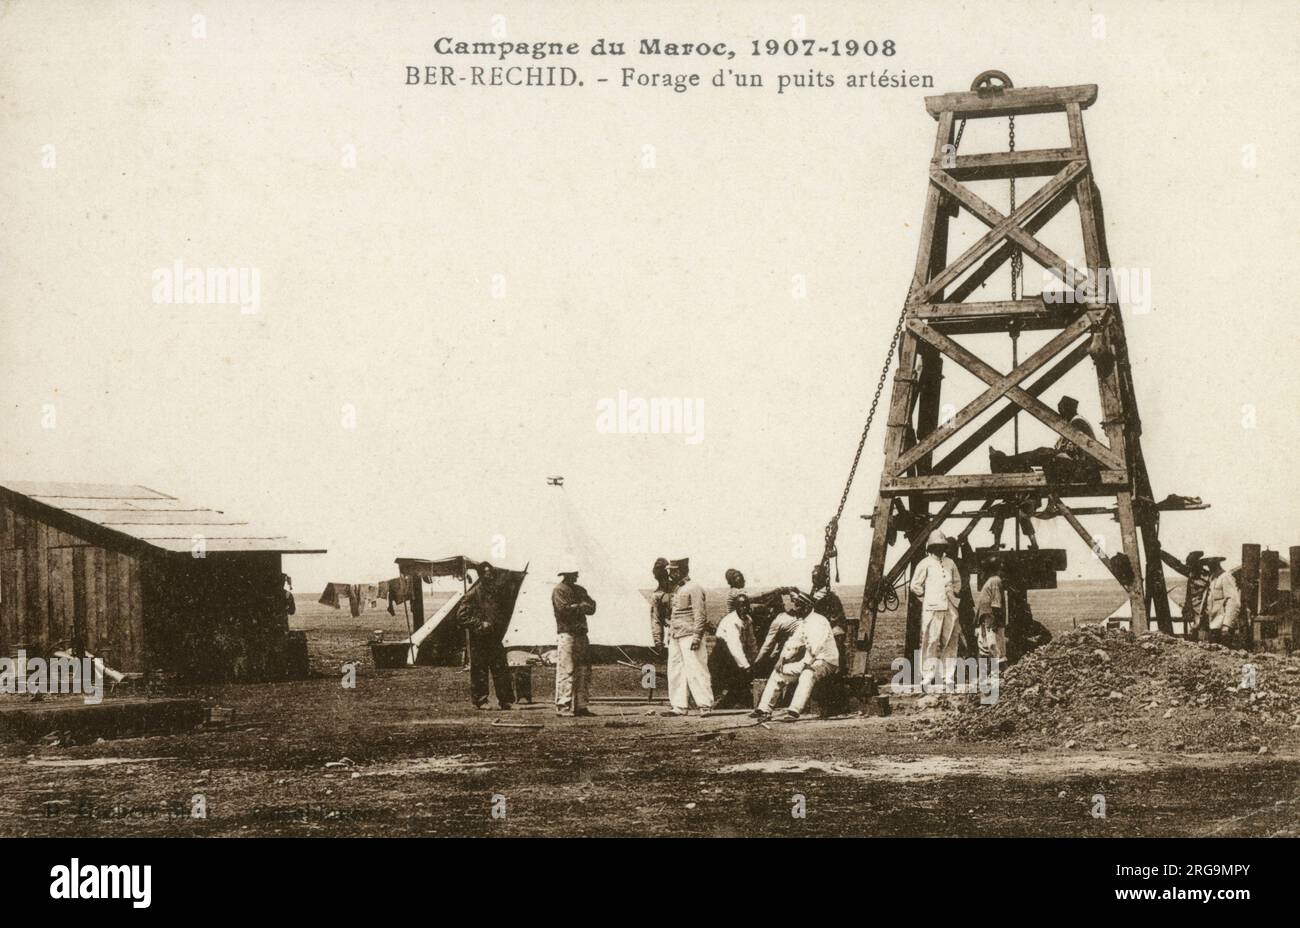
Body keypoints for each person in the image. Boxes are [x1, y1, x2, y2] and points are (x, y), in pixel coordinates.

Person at [991, 395, 1099, 485]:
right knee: (1040, 453)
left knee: (1040, 452)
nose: (1061, 414)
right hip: (1077, 462)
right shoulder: (1075, 422)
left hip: (1082, 466)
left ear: (1067, 409)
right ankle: (1005, 462)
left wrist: (1059, 453)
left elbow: (1076, 450)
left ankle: (1003, 462)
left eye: (1062, 410)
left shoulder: (1077, 422)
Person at [910, 531, 960, 690]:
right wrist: (926, 598)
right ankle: (927, 675)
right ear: (931, 547)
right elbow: (915, 586)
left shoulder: (950, 563)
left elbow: (958, 582)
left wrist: (952, 592)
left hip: (950, 607)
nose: (939, 549)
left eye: (942, 546)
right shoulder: (925, 563)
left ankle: (948, 676)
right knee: (930, 641)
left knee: (951, 641)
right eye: (936, 546)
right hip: (932, 608)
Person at [463, 562, 515, 710]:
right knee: (479, 670)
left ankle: (505, 700)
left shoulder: (496, 592)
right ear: (481, 575)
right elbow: (461, 616)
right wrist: (480, 624)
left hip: (494, 638)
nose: (490, 575)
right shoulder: (473, 593)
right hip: (479, 639)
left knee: (501, 669)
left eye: (491, 573)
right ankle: (481, 700)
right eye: (486, 573)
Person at [665, 557, 714, 716]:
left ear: (680, 570)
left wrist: (697, 637)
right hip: (676, 636)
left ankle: (705, 705)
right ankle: (679, 706)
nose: (670, 573)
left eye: (673, 570)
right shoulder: (677, 588)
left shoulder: (694, 588)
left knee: (697, 668)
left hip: (690, 635)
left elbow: (700, 614)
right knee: (675, 670)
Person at [552, 569, 597, 717]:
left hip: (581, 634)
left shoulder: (580, 589)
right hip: (567, 633)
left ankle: (581, 705)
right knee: (567, 670)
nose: (576, 576)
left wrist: (578, 606)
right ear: (566, 574)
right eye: (573, 574)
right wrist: (580, 606)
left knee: (583, 671)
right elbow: (563, 610)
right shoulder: (559, 590)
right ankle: (563, 705)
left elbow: (592, 607)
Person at [710, 593, 757, 709]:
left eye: (746, 605)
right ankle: (724, 701)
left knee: (744, 672)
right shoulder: (732, 621)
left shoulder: (748, 620)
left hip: (733, 653)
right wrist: (746, 666)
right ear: (736, 607)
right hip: (722, 654)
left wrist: (755, 660)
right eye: (740, 606)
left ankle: (738, 699)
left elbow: (751, 642)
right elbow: (734, 646)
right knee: (737, 674)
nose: (744, 608)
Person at [810, 563, 848, 669]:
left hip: (832, 626)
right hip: (819, 627)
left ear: (824, 578)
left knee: (836, 636)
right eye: (813, 577)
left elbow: (836, 618)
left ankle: (838, 668)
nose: (815, 579)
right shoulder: (814, 595)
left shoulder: (830, 596)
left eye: (817, 577)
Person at [974, 557, 1007, 680]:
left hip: (990, 619)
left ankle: (997, 673)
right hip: (987, 619)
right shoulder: (992, 581)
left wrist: (995, 621)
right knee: (987, 645)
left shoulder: (994, 581)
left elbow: (996, 604)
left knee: (993, 645)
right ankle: (990, 673)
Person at [1201, 557, 1241, 646]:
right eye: (1207, 563)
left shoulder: (1226, 577)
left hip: (1222, 627)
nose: (1209, 565)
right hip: (1213, 626)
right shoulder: (1212, 579)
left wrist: (1227, 624)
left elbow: (1233, 601)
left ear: (1217, 562)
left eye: (1211, 562)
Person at [650, 557, 674, 650]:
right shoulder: (657, 595)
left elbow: (656, 620)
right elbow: (656, 620)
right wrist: (658, 642)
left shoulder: (677, 589)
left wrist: (658, 642)